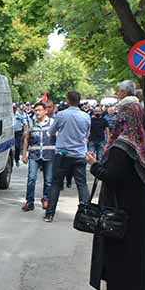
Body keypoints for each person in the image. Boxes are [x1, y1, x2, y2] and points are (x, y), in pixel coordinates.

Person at [86, 99, 145, 290]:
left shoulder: (122, 146)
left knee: (120, 247)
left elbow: (112, 176)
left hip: (120, 205)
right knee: (137, 247)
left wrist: (93, 164)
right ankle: (136, 289)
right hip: (141, 203)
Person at [44, 91, 91, 222]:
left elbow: (51, 132)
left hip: (63, 154)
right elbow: (87, 134)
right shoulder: (86, 117)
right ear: (79, 100)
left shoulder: (61, 115)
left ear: (68, 100)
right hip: (79, 154)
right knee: (82, 184)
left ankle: (50, 214)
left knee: (56, 184)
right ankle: (86, 214)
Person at [21, 101, 55, 211]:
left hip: (49, 155)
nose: (37, 112)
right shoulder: (31, 123)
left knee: (49, 180)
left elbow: (59, 138)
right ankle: (29, 201)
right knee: (31, 178)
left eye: (39, 110)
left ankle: (46, 199)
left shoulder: (53, 123)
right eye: (35, 110)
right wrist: (24, 154)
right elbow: (26, 139)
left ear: (45, 111)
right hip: (34, 155)